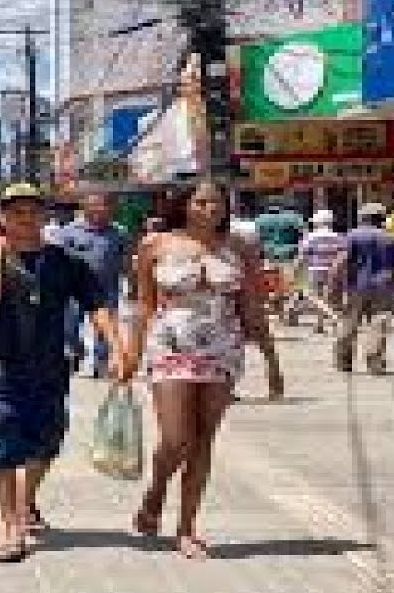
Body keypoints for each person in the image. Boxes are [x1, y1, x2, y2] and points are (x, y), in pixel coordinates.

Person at [0, 183, 131, 563]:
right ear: (2, 217)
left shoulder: (66, 261)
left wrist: (118, 348)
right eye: (15, 212)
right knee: (1, 447)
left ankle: (26, 501)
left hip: (50, 365)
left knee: (46, 442)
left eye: (32, 212)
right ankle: (11, 527)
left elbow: (97, 304)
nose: (24, 220)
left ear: (45, 216)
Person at [131, 180, 279, 559]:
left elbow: (253, 307)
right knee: (176, 436)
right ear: (184, 205)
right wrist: (129, 355)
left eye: (218, 202)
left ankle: (187, 528)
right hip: (170, 346)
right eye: (202, 202)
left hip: (222, 347)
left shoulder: (240, 248)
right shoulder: (155, 244)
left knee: (203, 439)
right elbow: (144, 306)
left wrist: (271, 361)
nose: (211, 209)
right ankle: (157, 487)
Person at [55, 192, 131, 378]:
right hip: (74, 289)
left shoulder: (119, 233)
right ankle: (72, 354)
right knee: (69, 325)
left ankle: (101, 363)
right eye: (95, 205)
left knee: (106, 328)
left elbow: (127, 259)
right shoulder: (69, 231)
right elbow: (57, 260)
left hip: (106, 287)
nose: (100, 209)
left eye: (104, 205)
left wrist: (132, 281)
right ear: (84, 208)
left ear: (111, 209)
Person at [328, 203, 394, 374]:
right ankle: (375, 362)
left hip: (356, 285)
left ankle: (344, 360)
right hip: (383, 287)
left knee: (349, 323)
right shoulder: (393, 238)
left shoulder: (352, 236)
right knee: (378, 323)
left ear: (363, 218)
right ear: (382, 219)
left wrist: (333, 286)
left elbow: (340, 262)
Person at [294, 209, 343, 333]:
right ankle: (319, 324)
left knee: (312, 296)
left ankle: (333, 317)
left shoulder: (310, 237)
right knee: (327, 298)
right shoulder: (338, 237)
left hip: (315, 269)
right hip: (333, 270)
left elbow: (302, 256)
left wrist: (297, 270)